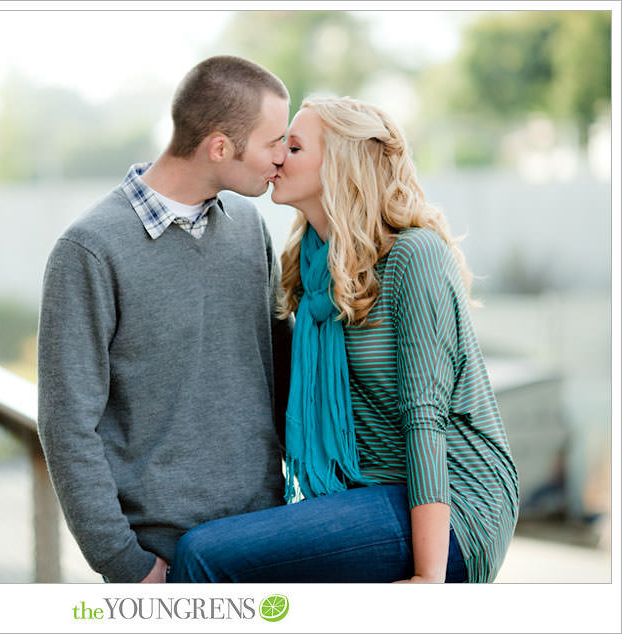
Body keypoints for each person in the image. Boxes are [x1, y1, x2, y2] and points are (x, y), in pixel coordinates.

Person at [168, 96, 519, 583]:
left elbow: (426, 418)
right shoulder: (312, 271)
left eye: (292, 146)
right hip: (367, 494)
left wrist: (429, 578)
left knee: (203, 555)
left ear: (341, 163)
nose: (275, 158)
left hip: (452, 506)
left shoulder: (413, 257)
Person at [36, 56, 293, 583]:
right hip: (164, 563)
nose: (283, 158)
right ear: (220, 147)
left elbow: (282, 365)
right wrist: (124, 563)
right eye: (275, 143)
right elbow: (66, 425)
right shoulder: (88, 250)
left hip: (263, 537)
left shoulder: (249, 228)